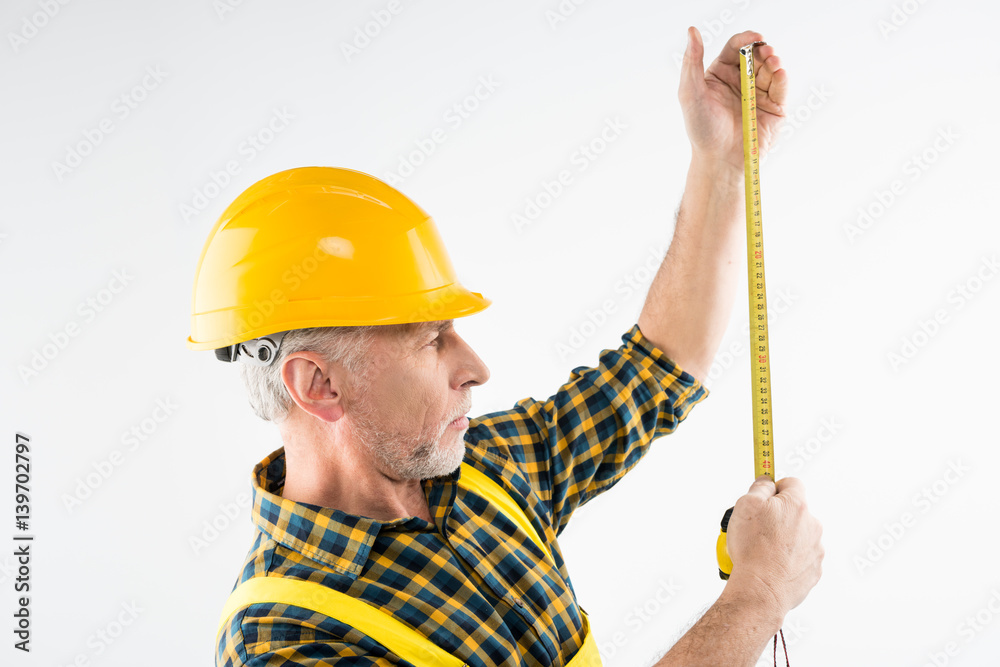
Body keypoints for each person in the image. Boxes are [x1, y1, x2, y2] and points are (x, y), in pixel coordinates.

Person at [190, 26, 823, 667]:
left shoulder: (482, 473)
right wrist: (759, 594)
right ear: (319, 385)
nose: (475, 368)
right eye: (432, 340)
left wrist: (721, 162)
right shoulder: (285, 641)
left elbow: (659, 367)